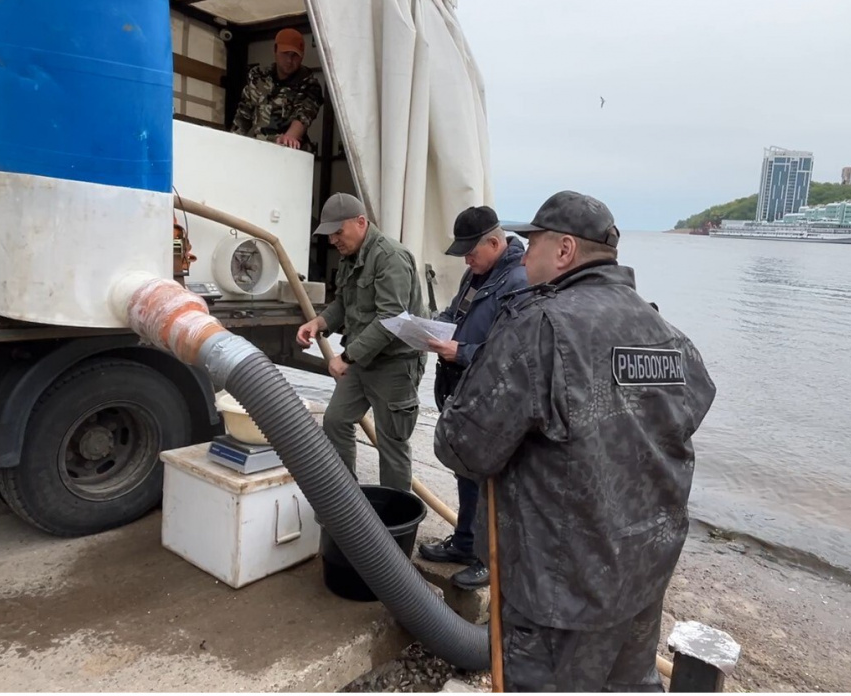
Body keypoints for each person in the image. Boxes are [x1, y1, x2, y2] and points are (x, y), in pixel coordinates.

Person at [433, 191, 717, 692]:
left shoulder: (540, 327)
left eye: (534, 241)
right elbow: (695, 401)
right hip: (644, 571)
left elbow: (462, 447)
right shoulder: (663, 330)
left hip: (558, 591)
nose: (527, 252)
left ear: (564, 250)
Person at [416, 205, 528, 591]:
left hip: (492, 397)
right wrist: (430, 326)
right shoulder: (476, 273)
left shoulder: (519, 279)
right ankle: (464, 543)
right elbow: (457, 313)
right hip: (463, 390)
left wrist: (460, 352)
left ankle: (487, 559)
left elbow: (514, 353)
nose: (466, 259)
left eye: (471, 251)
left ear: (495, 242)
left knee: (488, 480)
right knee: (464, 471)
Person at [296, 193, 426, 492]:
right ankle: (347, 501)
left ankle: (393, 524)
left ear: (361, 222)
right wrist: (318, 322)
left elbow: (393, 319)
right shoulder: (350, 258)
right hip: (362, 360)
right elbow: (343, 303)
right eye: (330, 235)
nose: (334, 241)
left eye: (338, 232)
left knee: (392, 446)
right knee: (336, 421)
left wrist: (347, 357)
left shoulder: (390, 257)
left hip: (395, 364)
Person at [230, 28, 323, 151]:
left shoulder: (309, 84)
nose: (289, 60)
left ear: (302, 56)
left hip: (288, 151)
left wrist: (290, 137)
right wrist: (231, 144)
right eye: (285, 53)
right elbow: (243, 115)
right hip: (258, 149)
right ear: (275, 50)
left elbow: (304, 116)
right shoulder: (258, 77)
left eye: (295, 55)